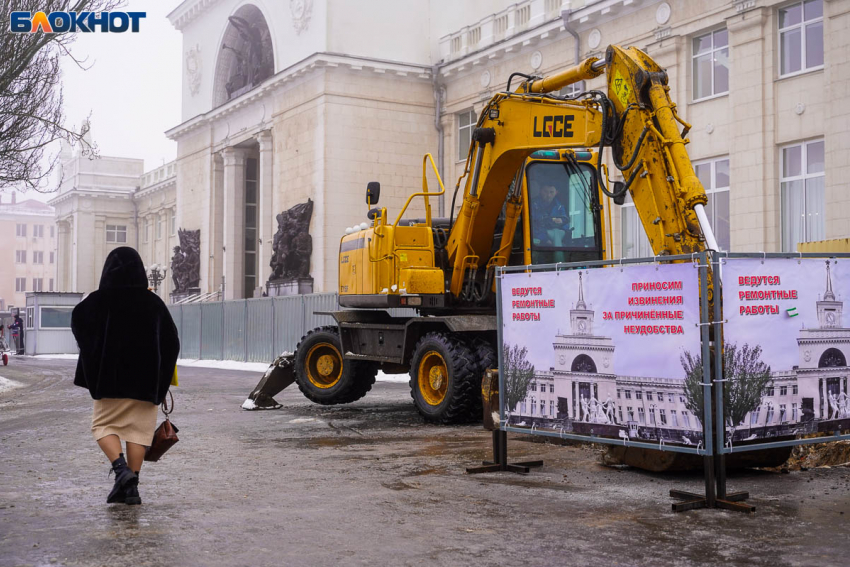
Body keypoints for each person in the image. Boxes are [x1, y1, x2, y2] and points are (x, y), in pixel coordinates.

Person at [72, 247, 180, 505]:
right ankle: (132, 488)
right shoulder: (153, 303)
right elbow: (171, 342)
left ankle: (121, 472)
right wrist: (161, 378)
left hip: (109, 381)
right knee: (137, 434)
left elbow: (79, 324)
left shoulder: (96, 302)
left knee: (102, 426)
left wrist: (94, 356)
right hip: (145, 384)